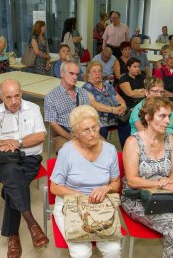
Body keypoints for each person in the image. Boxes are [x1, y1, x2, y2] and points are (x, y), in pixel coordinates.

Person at [122, 96, 173, 258]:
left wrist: (169, 182)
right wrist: (161, 184)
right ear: (148, 118)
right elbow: (132, 181)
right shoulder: (133, 142)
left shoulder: (170, 139)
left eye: (169, 116)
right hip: (136, 198)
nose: (168, 121)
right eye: (162, 116)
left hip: (163, 196)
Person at [0, 79, 49, 258]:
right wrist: (1, 142)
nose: (13, 101)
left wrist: (17, 142)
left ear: (22, 93)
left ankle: (13, 235)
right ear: (1, 97)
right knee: (12, 173)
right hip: (6, 160)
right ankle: (32, 224)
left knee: (12, 186)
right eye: (8, 97)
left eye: (17, 96)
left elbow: (41, 135)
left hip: (29, 158)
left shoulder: (32, 109)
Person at [51, 105, 122, 258]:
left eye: (95, 128)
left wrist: (107, 188)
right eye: (86, 130)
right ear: (76, 133)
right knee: (81, 252)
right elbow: (55, 187)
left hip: (100, 204)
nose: (92, 134)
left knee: (114, 249)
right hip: (70, 203)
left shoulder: (110, 150)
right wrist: (81, 197)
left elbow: (116, 183)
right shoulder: (66, 151)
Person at [129, 77, 173, 161]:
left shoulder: (166, 106)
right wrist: (172, 147)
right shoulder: (139, 110)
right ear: (146, 92)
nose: (159, 94)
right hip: (149, 146)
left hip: (172, 142)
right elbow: (148, 135)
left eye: (161, 91)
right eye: (155, 91)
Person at [44, 61, 90, 154]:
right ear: (62, 73)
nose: (75, 77)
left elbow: (88, 116)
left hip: (83, 131)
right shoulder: (51, 97)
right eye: (71, 73)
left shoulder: (83, 93)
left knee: (104, 148)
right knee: (69, 153)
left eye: (77, 74)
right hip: (63, 134)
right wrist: (72, 138)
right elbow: (53, 124)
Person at [83, 61, 128, 147]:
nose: (97, 73)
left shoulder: (108, 85)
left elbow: (119, 98)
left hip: (116, 116)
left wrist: (123, 106)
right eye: (94, 71)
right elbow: (93, 104)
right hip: (100, 118)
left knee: (126, 123)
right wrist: (112, 110)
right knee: (100, 128)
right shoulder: (86, 88)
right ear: (88, 74)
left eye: (99, 71)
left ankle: (126, 150)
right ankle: (100, 152)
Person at [118, 58, 145, 142]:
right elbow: (130, 94)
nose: (138, 69)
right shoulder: (124, 79)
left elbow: (149, 90)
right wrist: (142, 91)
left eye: (139, 67)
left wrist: (137, 91)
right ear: (128, 67)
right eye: (135, 67)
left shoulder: (141, 77)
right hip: (128, 106)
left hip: (142, 104)